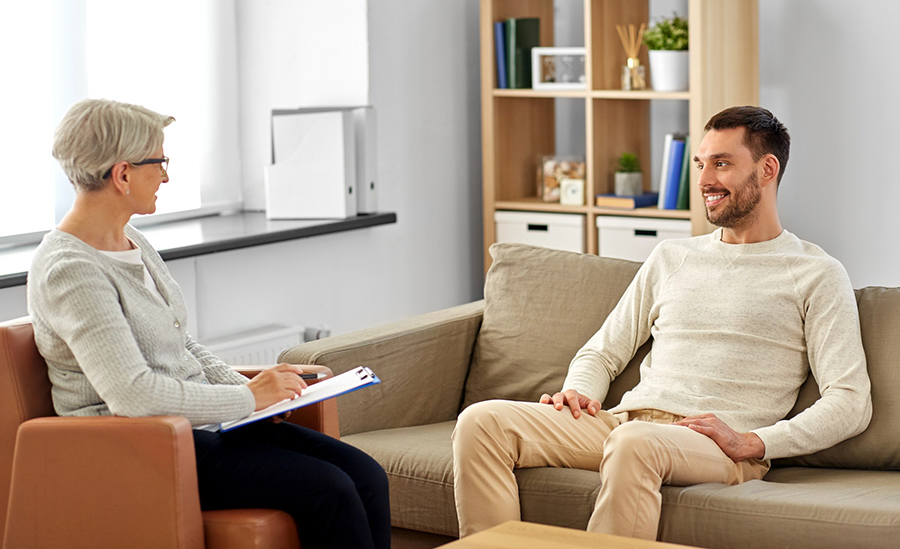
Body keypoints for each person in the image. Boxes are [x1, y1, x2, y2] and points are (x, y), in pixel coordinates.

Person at [452, 105, 872, 540]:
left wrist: (755, 442)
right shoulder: (672, 258)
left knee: (635, 443)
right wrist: (579, 393)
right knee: (481, 422)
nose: (705, 180)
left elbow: (851, 400)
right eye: (700, 164)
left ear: (767, 169)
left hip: (717, 448)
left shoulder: (816, 273)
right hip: (626, 425)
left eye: (722, 163)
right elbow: (602, 351)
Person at [27, 98, 391, 549]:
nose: (166, 175)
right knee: (330, 490)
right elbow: (131, 394)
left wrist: (257, 401)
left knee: (367, 475)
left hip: (195, 430)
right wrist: (243, 398)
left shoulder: (130, 239)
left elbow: (180, 345)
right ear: (122, 175)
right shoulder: (70, 269)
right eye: (159, 162)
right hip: (138, 446)